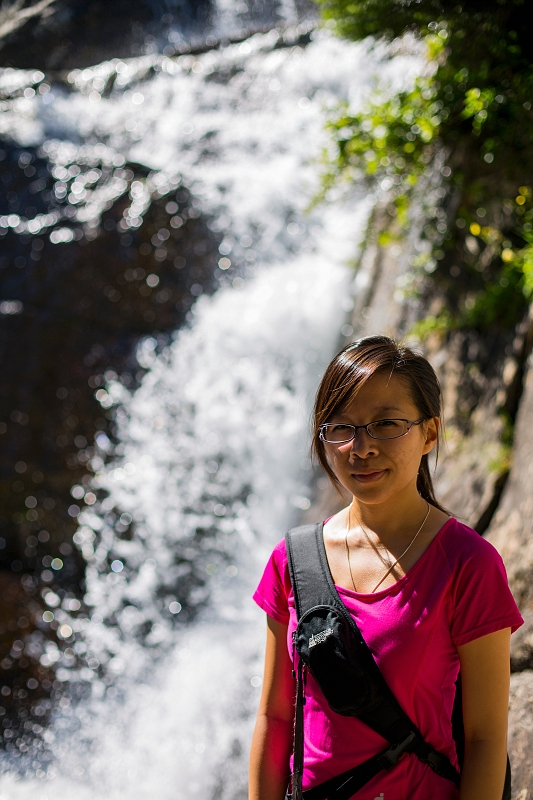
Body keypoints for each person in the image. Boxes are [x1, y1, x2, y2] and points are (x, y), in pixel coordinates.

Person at [249, 335, 523, 800]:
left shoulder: (468, 564)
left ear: (430, 433)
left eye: (386, 425)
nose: (361, 447)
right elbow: (276, 718)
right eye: (342, 427)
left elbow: (485, 739)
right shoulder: (291, 561)